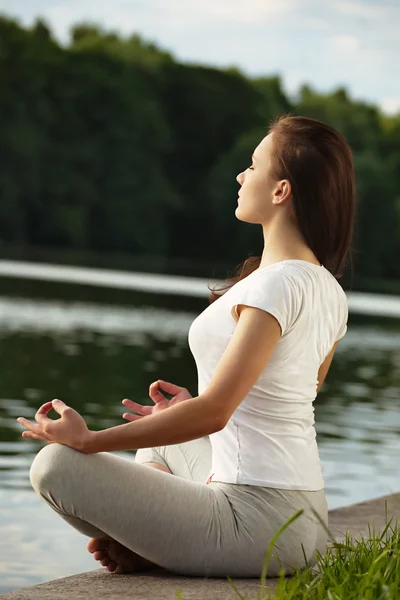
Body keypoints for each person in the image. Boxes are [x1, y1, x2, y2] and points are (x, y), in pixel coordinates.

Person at [17, 115, 355, 579]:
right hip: (307, 515)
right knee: (159, 444)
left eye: (253, 166)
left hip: (260, 524)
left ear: (281, 191)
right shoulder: (325, 288)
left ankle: (149, 545)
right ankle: (147, 544)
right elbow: (291, 394)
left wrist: (90, 441)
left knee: (54, 466)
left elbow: (217, 413)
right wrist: (187, 410)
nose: (241, 176)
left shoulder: (276, 285)